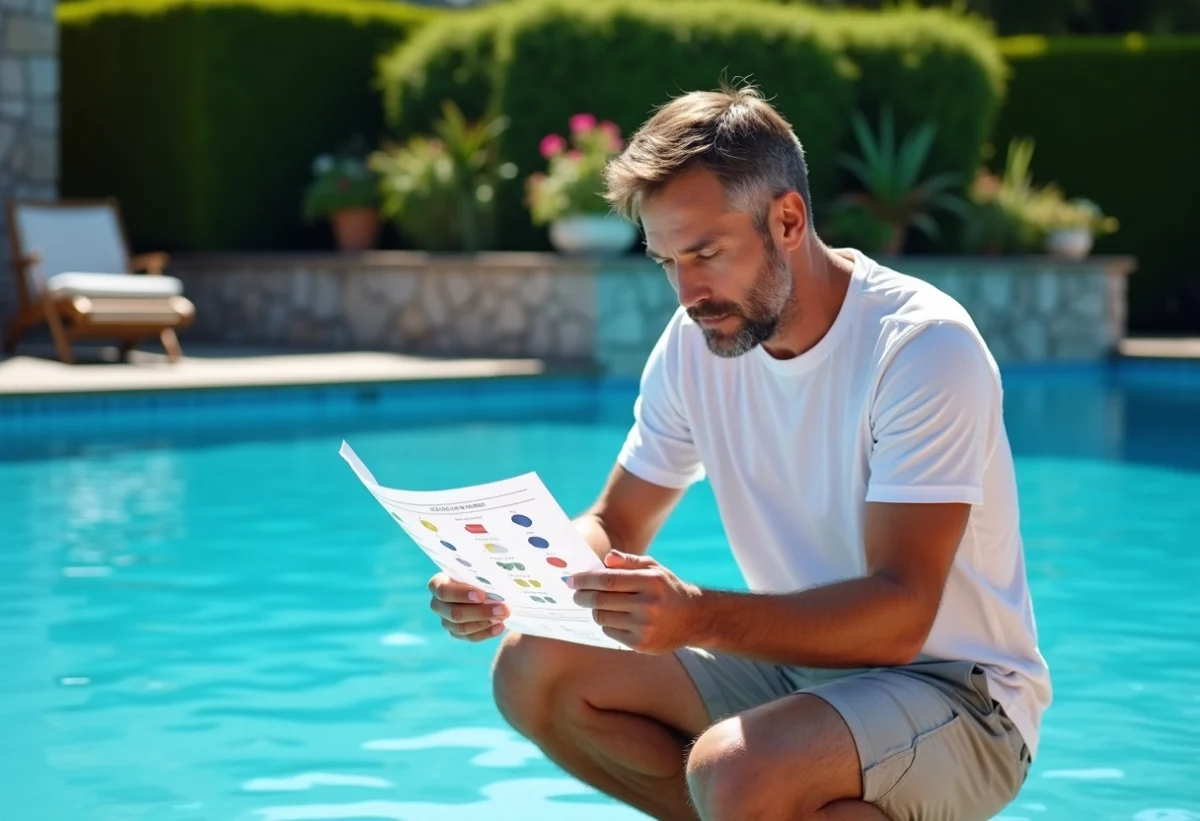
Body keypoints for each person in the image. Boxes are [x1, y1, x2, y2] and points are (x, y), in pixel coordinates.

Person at [425, 82, 1052, 821]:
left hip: (956, 693)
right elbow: (617, 522)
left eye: (707, 252)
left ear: (787, 218)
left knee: (740, 769)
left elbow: (901, 614)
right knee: (535, 667)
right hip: (797, 672)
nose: (688, 291)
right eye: (666, 261)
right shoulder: (696, 345)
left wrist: (695, 616)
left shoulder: (920, 349)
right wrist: (510, 576)